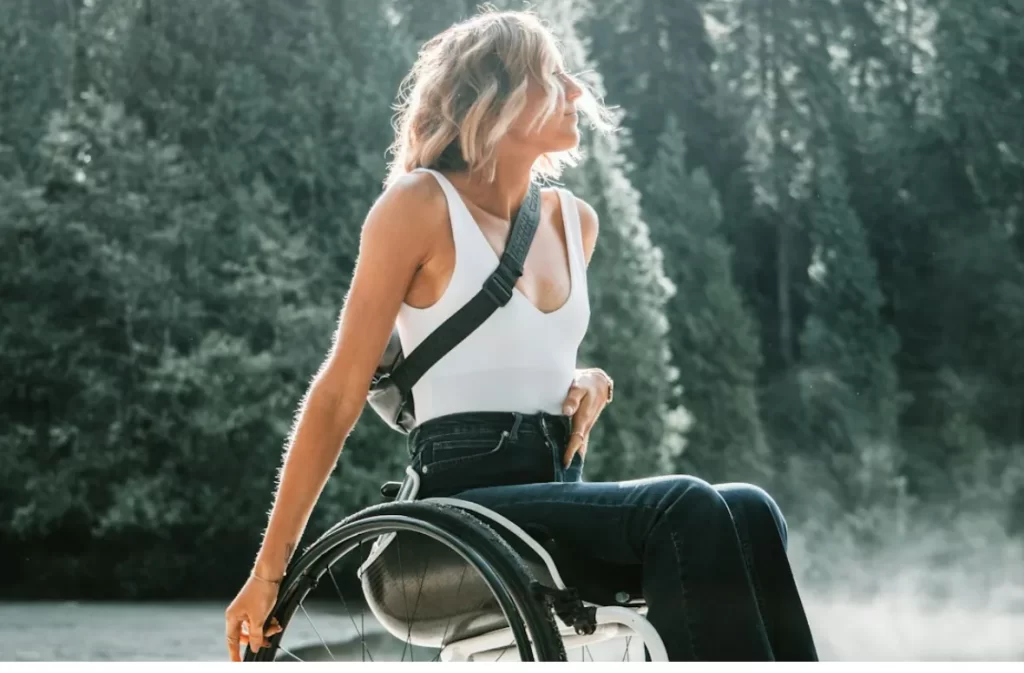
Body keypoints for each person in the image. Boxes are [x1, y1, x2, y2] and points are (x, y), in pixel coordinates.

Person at [225, 8, 818, 662]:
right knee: (688, 506)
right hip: (449, 528)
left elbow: (515, 352)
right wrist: (267, 575)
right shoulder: (418, 206)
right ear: (495, 99)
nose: (577, 90)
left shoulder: (575, 223)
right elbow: (338, 395)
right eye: (552, 76)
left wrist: (579, 378)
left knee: (751, 511)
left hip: (548, 497)